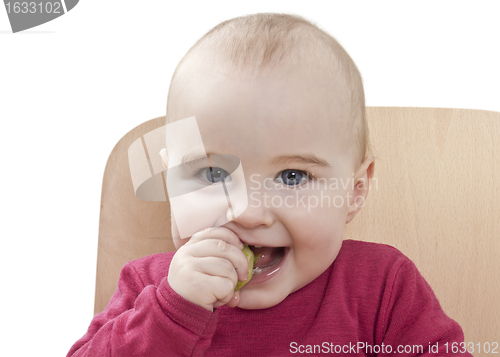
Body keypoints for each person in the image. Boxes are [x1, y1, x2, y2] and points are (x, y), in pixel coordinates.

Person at [67, 12, 472, 356]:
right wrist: (172, 313)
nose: (248, 211)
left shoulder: (382, 287)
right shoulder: (149, 289)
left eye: (292, 177)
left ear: (354, 191)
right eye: (214, 174)